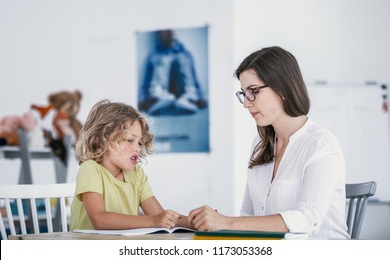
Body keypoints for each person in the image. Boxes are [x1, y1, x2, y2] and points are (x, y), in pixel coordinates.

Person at [188, 46, 349, 239]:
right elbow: (248, 216)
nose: (247, 103)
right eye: (244, 94)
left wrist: (227, 222)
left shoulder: (322, 145)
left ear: (282, 89)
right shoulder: (260, 145)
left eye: (253, 91)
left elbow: (307, 219)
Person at [70, 100, 191, 230]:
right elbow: (99, 219)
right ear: (101, 140)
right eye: (130, 140)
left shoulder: (137, 174)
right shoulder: (90, 169)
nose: (138, 148)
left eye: (139, 142)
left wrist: (194, 222)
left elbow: (160, 216)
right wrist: (153, 221)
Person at [138, 29, 207, 116]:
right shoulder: (155, 54)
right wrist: (143, 98)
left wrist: (200, 96)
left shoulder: (185, 53)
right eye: (166, 30)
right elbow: (147, 79)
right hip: (163, 94)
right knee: (163, 60)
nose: (170, 32)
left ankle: (189, 98)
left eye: (172, 30)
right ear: (158, 33)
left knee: (182, 59)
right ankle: (158, 98)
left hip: (181, 93)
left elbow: (193, 77)